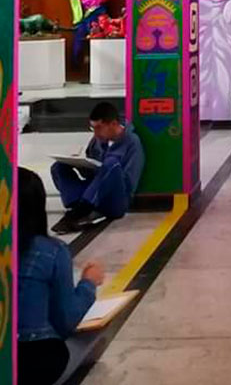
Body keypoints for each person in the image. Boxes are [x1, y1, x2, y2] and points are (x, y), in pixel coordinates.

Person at [19, 167, 105, 385]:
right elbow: (66, 320)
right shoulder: (51, 251)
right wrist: (89, 283)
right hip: (36, 363)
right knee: (90, 331)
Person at [50, 102, 145, 234]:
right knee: (59, 166)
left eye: (99, 128)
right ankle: (77, 206)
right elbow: (90, 170)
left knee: (112, 164)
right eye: (92, 128)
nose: (95, 133)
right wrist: (77, 163)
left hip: (116, 199)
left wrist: (106, 172)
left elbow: (129, 182)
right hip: (94, 192)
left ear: (113, 124)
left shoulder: (131, 142)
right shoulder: (97, 141)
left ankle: (79, 213)